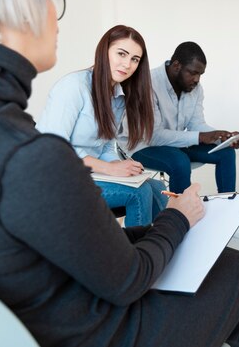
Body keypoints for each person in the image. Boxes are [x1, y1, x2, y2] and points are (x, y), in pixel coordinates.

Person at [0, 0, 239, 347]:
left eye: (134, 57)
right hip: (86, 329)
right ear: (10, 11)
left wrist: (158, 218)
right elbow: (126, 282)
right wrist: (179, 218)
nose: (57, 14)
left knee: (157, 197)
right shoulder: (32, 153)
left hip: (35, 307)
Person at [37, 25, 166, 227]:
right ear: (104, 51)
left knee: (157, 187)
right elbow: (54, 149)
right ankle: (139, 256)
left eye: (135, 59)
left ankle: (169, 250)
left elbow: (105, 144)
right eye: (121, 54)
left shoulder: (118, 97)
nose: (127, 64)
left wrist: (117, 165)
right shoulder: (73, 87)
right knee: (139, 192)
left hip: (89, 174)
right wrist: (108, 168)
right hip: (58, 178)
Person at [129, 41, 239, 240]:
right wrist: (201, 137)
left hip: (178, 143)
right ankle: (181, 225)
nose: (197, 79)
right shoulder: (148, 83)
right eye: (193, 73)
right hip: (144, 146)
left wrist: (221, 137)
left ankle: (229, 220)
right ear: (176, 66)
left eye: (200, 74)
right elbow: (154, 135)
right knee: (179, 161)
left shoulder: (195, 88)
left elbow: (197, 124)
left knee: (225, 153)